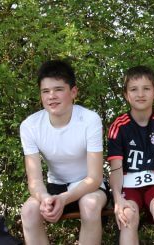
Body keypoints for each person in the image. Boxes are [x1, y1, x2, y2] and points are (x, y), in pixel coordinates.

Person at [19, 60, 108, 245]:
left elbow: (95, 177)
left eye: (58, 89)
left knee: (89, 205)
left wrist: (64, 199)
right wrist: (44, 198)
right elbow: (34, 180)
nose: (52, 96)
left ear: (73, 92)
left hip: (88, 186)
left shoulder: (90, 120)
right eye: (45, 91)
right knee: (28, 211)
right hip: (55, 185)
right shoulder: (30, 126)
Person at [107, 65, 154, 245]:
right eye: (133, 89)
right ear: (126, 95)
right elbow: (115, 169)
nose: (140, 94)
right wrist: (117, 199)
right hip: (128, 184)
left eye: (146, 88)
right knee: (127, 215)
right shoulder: (118, 126)